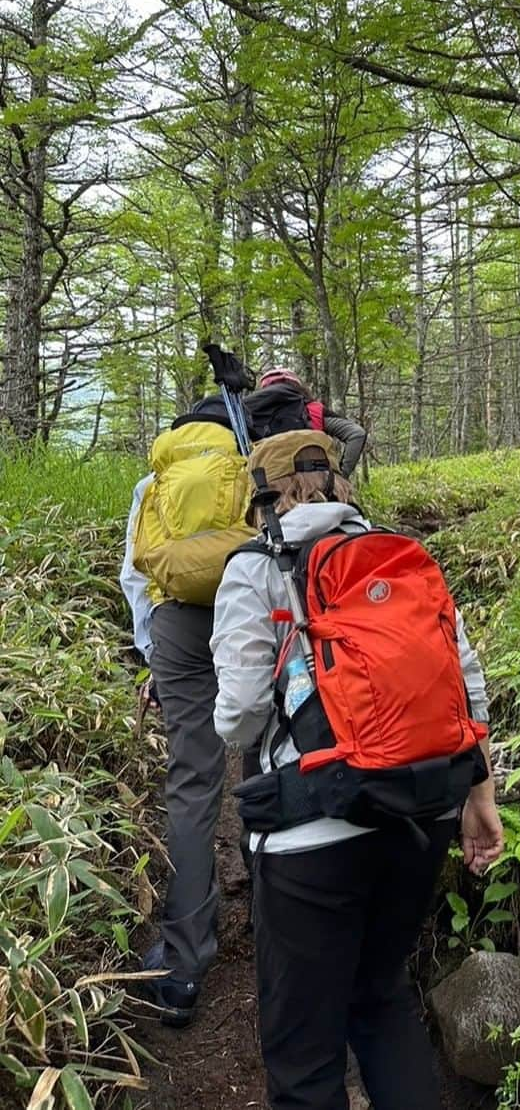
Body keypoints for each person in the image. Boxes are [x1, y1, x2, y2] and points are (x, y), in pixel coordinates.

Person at [211, 431, 503, 1110]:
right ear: (338, 480)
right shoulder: (399, 557)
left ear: (263, 494)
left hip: (310, 838)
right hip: (422, 815)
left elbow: (241, 719)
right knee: (380, 998)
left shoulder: (255, 568)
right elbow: (468, 688)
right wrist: (479, 796)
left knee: (305, 1053)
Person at [120, 408, 254, 1026]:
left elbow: (135, 573)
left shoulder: (158, 480)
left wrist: (154, 656)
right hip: (249, 609)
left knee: (194, 782)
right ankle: (278, 919)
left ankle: (182, 963)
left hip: (175, 621)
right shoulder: (249, 462)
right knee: (265, 759)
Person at [247, 369, 368, 477]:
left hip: (270, 486)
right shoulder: (313, 410)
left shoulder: (250, 418)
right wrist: (342, 474)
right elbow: (357, 433)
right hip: (317, 483)